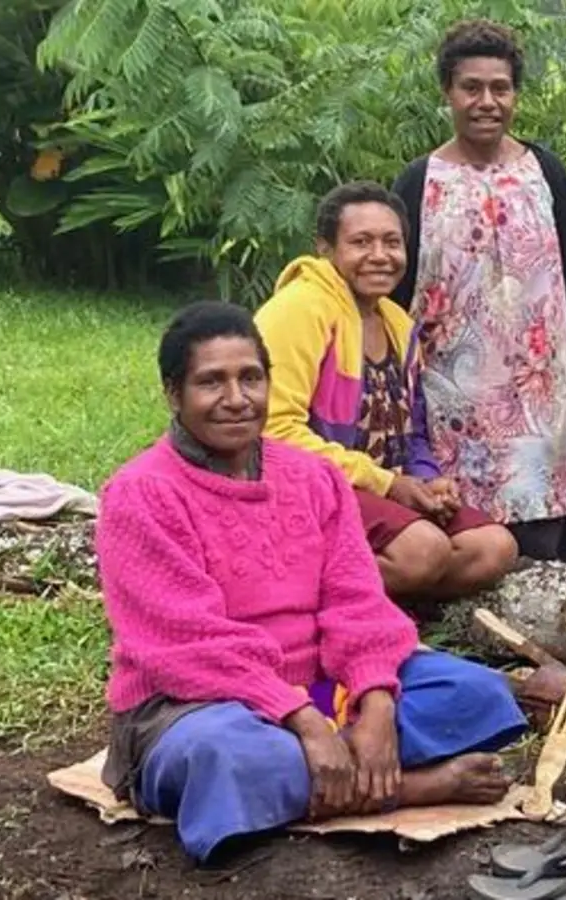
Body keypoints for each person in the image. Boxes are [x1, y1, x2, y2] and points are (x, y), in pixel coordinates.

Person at [95, 302, 528, 864]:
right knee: (229, 760)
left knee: (478, 696)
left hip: (325, 684)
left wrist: (373, 701)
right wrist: (302, 720)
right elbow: (186, 644)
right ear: (173, 394)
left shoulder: (313, 476)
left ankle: (335, 774)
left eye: (251, 377)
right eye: (211, 382)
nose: (236, 398)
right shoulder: (140, 494)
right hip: (200, 702)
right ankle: (403, 787)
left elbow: (357, 599)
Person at [389, 19, 566, 563]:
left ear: (516, 94)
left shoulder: (546, 175)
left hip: (540, 395)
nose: (486, 101)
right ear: (448, 92)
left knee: (542, 537)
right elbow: (388, 288)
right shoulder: (420, 182)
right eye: (472, 87)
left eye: (501, 88)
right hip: (448, 396)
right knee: (457, 526)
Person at [254, 182, 518, 606]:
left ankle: (380, 595)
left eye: (391, 242)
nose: (380, 255)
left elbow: (410, 430)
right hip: (311, 488)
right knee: (423, 552)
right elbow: (274, 432)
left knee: (493, 548)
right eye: (361, 242)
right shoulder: (299, 309)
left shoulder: (396, 322)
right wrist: (388, 484)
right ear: (326, 248)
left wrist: (428, 481)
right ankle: (286, 591)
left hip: (381, 490)